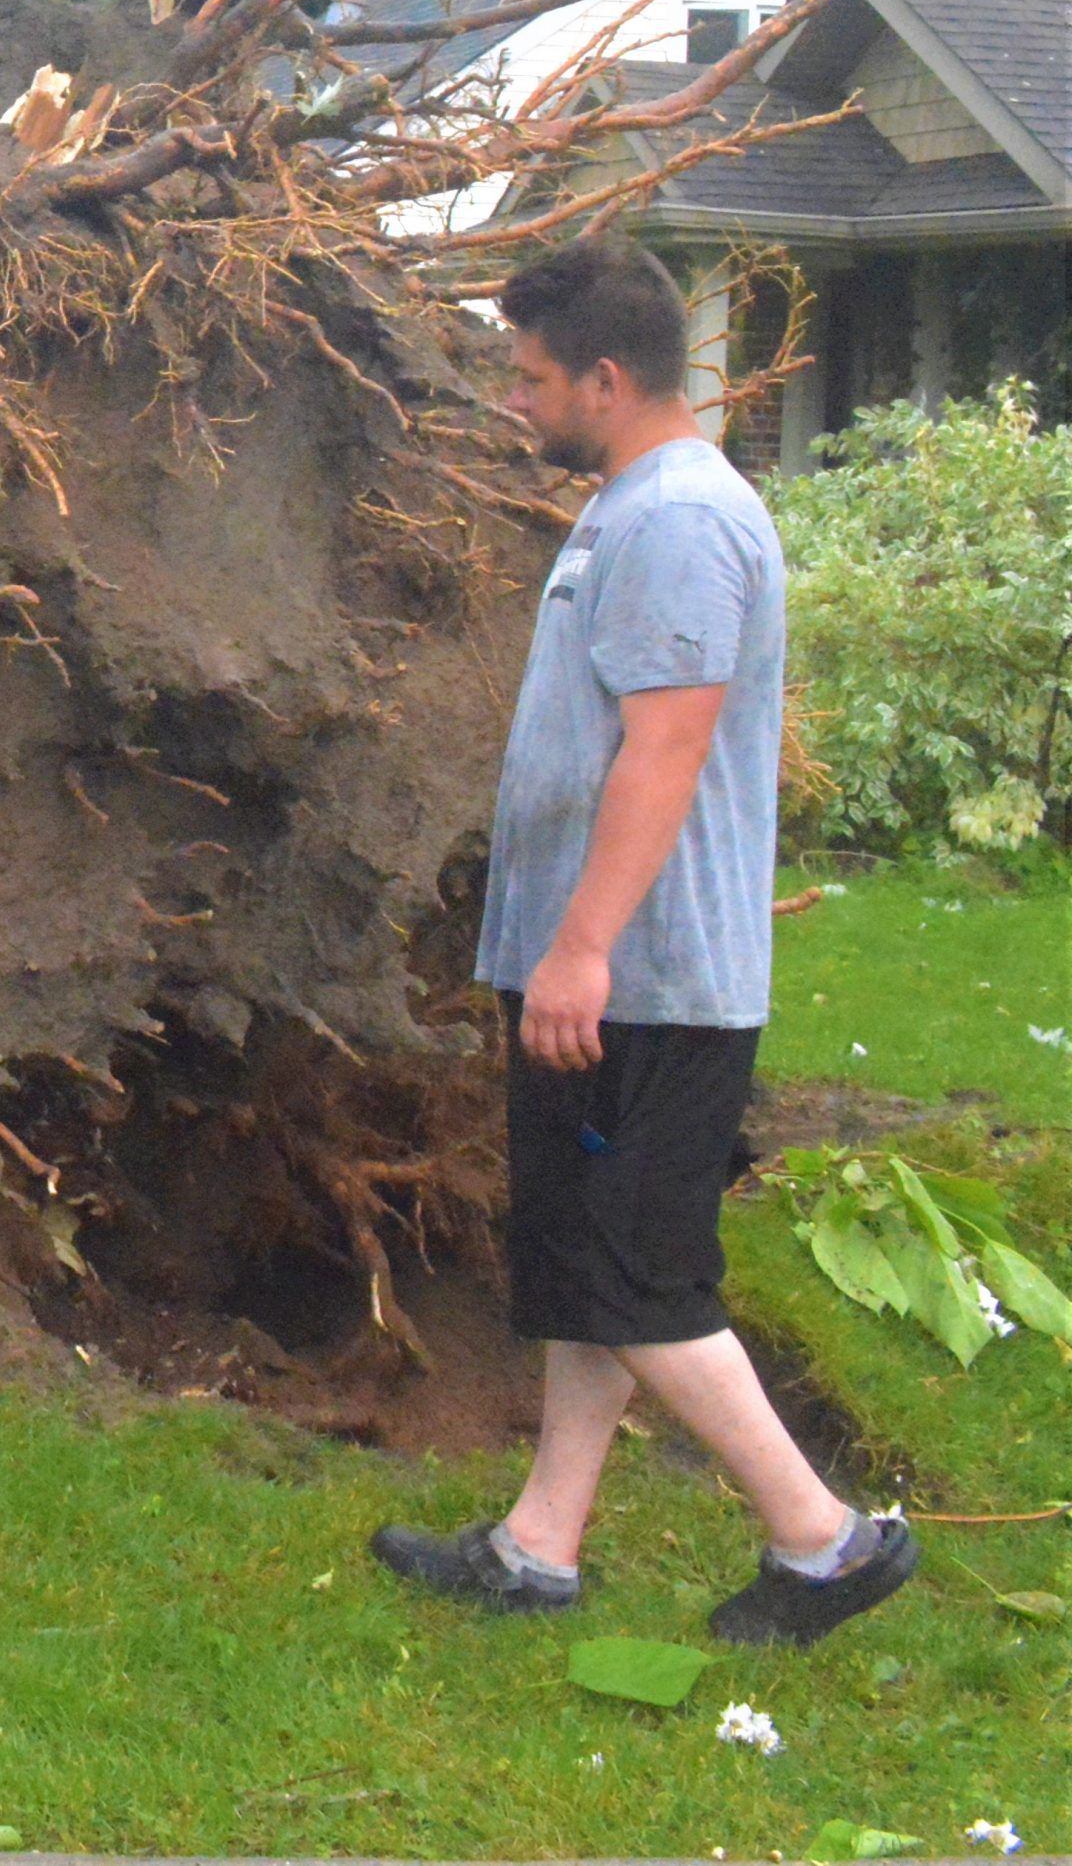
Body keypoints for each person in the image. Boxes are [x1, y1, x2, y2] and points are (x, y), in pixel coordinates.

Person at [371, 234, 916, 1646]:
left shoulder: (679, 518)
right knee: (583, 1267)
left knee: (639, 1273)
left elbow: (667, 749)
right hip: (614, 969)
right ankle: (540, 1545)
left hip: (650, 981)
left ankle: (824, 1541)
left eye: (533, 378)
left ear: (608, 379)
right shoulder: (636, 500)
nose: (516, 403)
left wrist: (583, 948)